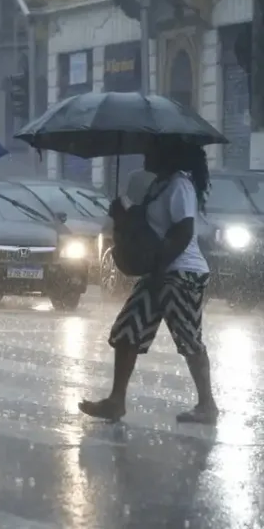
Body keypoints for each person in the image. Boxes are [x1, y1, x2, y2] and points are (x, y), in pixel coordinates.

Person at [79, 139, 218, 425]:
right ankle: (116, 401)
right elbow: (148, 228)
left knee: (188, 337)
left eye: (151, 149)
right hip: (159, 271)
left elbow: (183, 231)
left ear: (167, 153)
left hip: (181, 272)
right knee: (128, 329)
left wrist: (159, 271)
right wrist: (121, 214)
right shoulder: (160, 185)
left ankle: (207, 405)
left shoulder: (180, 185)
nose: (145, 154)